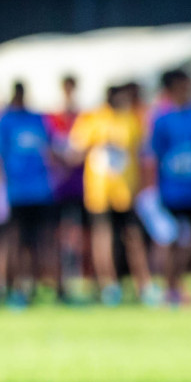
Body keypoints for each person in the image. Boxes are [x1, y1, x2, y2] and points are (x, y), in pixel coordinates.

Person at [70, 85, 152, 305]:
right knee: (103, 238)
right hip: (100, 192)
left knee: (134, 238)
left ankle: (144, 286)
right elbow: (76, 151)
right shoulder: (93, 119)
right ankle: (109, 285)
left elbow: (140, 153)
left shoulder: (131, 119)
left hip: (126, 191)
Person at [0, 82, 59, 306]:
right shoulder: (4, 121)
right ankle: (12, 288)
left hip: (40, 191)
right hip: (16, 192)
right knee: (14, 243)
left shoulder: (38, 119)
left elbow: (52, 149)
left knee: (42, 243)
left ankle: (41, 286)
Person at [149, 69, 191, 304]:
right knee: (171, 242)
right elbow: (152, 158)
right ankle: (169, 288)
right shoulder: (162, 120)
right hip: (171, 192)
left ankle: (190, 284)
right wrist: (152, 193)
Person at [45, 75, 87, 297]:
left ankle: (79, 281)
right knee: (57, 236)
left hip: (80, 186)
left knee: (79, 235)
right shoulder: (52, 118)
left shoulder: (83, 116)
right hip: (57, 186)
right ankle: (58, 283)